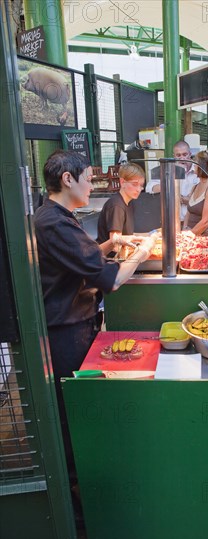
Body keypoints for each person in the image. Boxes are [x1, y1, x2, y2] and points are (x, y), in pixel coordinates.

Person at [34, 150, 157, 476]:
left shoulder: (55, 217)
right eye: (88, 178)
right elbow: (112, 279)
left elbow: (77, 259)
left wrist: (112, 246)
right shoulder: (54, 224)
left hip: (72, 323)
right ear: (67, 179)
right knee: (73, 410)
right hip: (65, 330)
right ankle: (76, 484)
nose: (92, 185)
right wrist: (142, 253)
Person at [145, 140, 199, 221]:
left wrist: (183, 199)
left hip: (193, 220)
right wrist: (169, 184)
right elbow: (149, 187)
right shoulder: (168, 170)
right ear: (174, 156)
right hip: (173, 220)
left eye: (185, 154)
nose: (182, 158)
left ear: (190, 154)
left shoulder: (197, 170)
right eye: (178, 155)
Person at [96, 162, 145, 250]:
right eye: (134, 184)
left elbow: (128, 236)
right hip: (110, 259)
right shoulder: (117, 206)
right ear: (122, 182)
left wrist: (150, 236)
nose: (138, 189)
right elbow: (116, 245)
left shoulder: (129, 202)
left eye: (141, 186)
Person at [183, 150, 208, 239]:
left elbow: (205, 222)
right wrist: (185, 228)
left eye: (195, 163)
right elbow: (188, 213)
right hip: (193, 235)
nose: (193, 166)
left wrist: (188, 237)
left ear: (203, 167)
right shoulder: (195, 187)